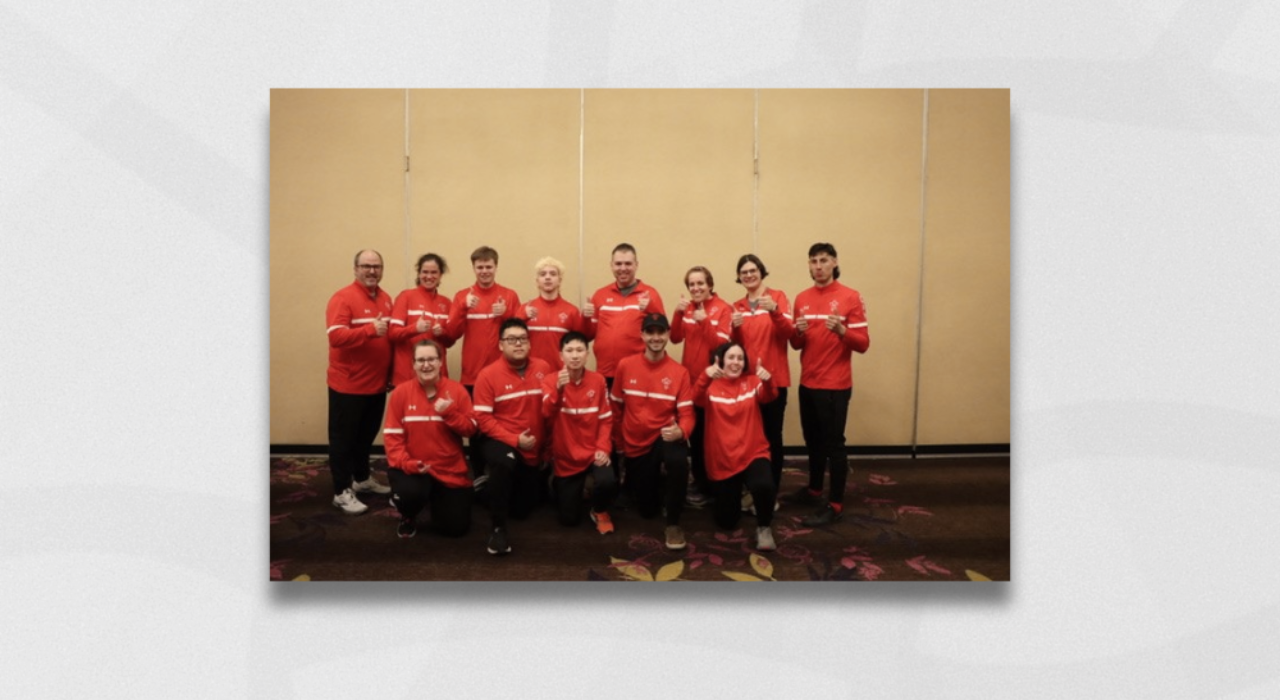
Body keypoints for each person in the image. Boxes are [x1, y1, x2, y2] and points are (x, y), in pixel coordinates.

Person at [790, 242, 870, 526]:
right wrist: (796, 333)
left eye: (824, 260)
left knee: (834, 445)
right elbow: (797, 344)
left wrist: (842, 330)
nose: (818, 266)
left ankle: (835, 504)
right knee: (812, 440)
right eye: (813, 261)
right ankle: (813, 489)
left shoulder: (850, 297)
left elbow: (863, 344)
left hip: (835, 386)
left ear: (834, 263)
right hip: (807, 382)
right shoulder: (801, 298)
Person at [610, 313, 695, 551]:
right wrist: (619, 443)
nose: (656, 337)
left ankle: (674, 522)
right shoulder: (626, 366)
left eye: (661, 332)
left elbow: (688, 414)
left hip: (665, 436)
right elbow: (615, 407)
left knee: (677, 461)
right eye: (651, 332)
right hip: (636, 440)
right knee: (647, 510)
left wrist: (682, 431)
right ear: (643, 335)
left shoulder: (680, 372)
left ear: (668, 334)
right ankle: (659, 488)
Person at [472, 318, 553, 555]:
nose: (518, 344)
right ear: (500, 345)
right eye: (511, 339)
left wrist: (547, 449)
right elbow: (483, 420)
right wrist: (514, 440)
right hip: (499, 440)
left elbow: (550, 413)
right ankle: (497, 528)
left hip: (533, 447)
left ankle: (488, 488)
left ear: (529, 343)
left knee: (522, 509)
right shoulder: (487, 375)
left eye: (523, 339)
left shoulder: (544, 368)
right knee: (504, 463)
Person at [382, 340, 477, 539]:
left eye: (432, 359)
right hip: (412, 468)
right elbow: (392, 439)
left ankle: (436, 497)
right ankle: (408, 515)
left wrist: (450, 413)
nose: (426, 365)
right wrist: (408, 464)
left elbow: (471, 430)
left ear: (441, 362)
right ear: (413, 364)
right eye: (421, 360)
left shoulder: (457, 391)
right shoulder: (400, 393)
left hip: (448, 468)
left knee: (455, 529)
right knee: (410, 494)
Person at [324, 249, 394, 515]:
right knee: (343, 441)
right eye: (366, 266)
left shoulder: (386, 299)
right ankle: (341, 492)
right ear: (355, 269)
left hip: (376, 385)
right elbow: (336, 337)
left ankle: (362, 479)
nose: (372, 271)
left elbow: (388, 340)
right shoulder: (343, 298)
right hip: (348, 386)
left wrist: (389, 374)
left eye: (376, 266)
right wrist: (368, 330)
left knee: (365, 437)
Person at [445, 246, 520, 493]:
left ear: (496, 267)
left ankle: (502, 468)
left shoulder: (509, 296)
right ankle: (478, 474)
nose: (485, 271)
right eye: (480, 267)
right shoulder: (462, 296)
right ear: (474, 268)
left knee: (503, 421)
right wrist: (462, 308)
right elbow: (450, 335)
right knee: (475, 426)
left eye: (489, 267)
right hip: (472, 375)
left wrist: (506, 314)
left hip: (503, 375)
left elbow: (518, 334)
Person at [693, 342, 779, 551]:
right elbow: (695, 398)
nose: (736, 362)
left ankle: (764, 527)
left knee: (765, 486)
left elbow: (769, 396)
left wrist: (768, 381)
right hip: (723, 458)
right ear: (721, 360)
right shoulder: (710, 386)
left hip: (752, 451)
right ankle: (742, 497)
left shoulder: (751, 382)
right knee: (727, 522)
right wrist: (705, 375)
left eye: (740, 358)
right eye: (731, 357)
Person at [729, 254, 795, 493]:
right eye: (743, 272)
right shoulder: (737, 306)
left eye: (752, 270)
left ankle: (771, 490)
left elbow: (789, 333)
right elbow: (736, 347)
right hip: (746, 383)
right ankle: (750, 487)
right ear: (739, 277)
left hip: (774, 380)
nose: (748, 275)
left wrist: (775, 311)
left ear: (761, 271)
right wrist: (734, 330)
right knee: (747, 437)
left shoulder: (778, 298)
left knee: (772, 436)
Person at [541, 332, 617, 534]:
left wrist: (603, 448)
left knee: (608, 480)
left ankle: (599, 510)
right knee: (568, 519)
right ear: (561, 355)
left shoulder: (598, 380)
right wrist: (558, 390)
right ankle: (556, 482)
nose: (575, 356)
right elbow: (546, 414)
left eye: (580, 350)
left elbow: (606, 419)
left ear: (587, 354)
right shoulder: (550, 380)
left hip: (593, 451)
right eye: (569, 351)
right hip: (565, 455)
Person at [669, 266, 732, 508]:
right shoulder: (689, 309)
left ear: (710, 285)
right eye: (691, 284)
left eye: (700, 283)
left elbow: (722, 348)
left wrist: (705, 323)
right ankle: (699, 481)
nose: (696, 288)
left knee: (711, 437)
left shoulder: (723, 308)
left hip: (713, 383)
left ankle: (713, 482)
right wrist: (677, 313)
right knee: (694, 435)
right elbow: (675, 338)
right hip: (690, 382)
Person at [582, 243, 665, 386]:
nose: (623, 268)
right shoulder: (600, 295)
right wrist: (585, 317)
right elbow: (588, 335)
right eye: (618, 264)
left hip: (637, 371)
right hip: (604, 372)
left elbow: (663, 332)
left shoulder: (650, 294)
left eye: (628, 264)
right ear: (611, 265)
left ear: (636, 265)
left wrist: (651, 307)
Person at [389, 253, 455, 386]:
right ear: (419, 274)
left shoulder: (447, 303)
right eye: (425, 272)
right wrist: (415, 329)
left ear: (440, 275)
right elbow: (392, 334)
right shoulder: (406, 297)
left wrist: (442, 333)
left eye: (434, 272)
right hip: (407, 377)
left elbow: (450, 341)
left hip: (437, 377)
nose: (429, 276)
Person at [516, 256, 583, 369]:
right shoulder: (525, 309)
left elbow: (579, 346)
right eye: (543, 274)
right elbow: (513, 340)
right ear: (537, 281)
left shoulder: (571, 311)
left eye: (552, 274)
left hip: (561, 374)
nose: (548, 277)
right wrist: (522, 317)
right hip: (530, 374)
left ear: (560, 280)